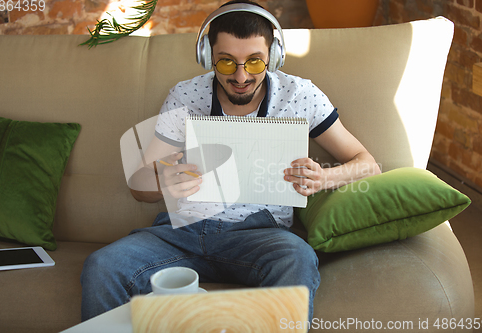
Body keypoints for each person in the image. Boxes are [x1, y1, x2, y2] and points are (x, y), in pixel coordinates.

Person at [80, 0, 381, 322]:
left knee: (297, 258)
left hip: (260, 236)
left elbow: (368, 164)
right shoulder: (185, 95)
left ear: (274, 57)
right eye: (226, 63)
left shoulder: (300, 96)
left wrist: (324, 178)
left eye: (254, 62)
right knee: (103, 266)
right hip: (181, 233)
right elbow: (139, 188)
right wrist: (163, 182)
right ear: (208, 58)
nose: (241, 76)